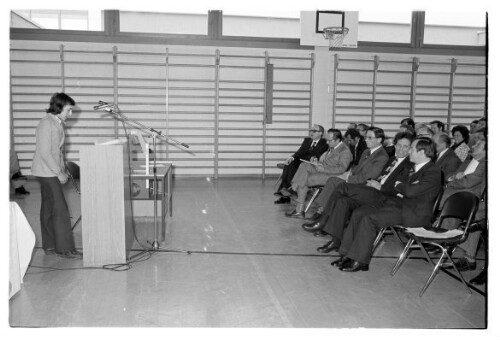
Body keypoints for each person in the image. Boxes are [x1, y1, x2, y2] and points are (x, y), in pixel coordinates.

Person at [332, 137, 441, 272]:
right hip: (396, 203)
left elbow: (411, 191)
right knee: (359, 213)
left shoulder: (433, 171)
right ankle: (346, 254)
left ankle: (360, 260)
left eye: (412, 148)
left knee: (369, 219)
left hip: (411, 211)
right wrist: (402, 186)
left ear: (422, 152)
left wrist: (400, 185)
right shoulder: (413, 167)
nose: (409, 151)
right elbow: (401, 188)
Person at [303, 132, 414, 248]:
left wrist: (380, 187)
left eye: (405, 146)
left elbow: (398, 189)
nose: (401, 149)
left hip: (383, 195)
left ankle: (323, 220)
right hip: (372, 190)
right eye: (398, 145)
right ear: (394, 145)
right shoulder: (391, 159)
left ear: (411, 148)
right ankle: (335, 241)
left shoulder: (409, 165)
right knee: (342, 201)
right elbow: (364, 172)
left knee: (340, 186)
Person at [31, 92, 82, 258]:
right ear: (59, 108)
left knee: (48, 208)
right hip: (47, 172)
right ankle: (64, 248)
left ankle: (50, 245)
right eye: (69, 110)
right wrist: (58, 172)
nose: (71, 113)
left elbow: (58, 151)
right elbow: (45, 153)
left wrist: (63, 168)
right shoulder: (46, 124)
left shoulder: (57, 122)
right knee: (60, 209)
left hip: (48, 170)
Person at [307, 127, 389, 221]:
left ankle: (322, 212)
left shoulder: (382, 156)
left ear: (379, 140)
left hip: (365, 186)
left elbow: (369, 178)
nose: (366, 139)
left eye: (370, 137)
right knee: (334, 179)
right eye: (366, 137)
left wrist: (347, 178)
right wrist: (348, 173)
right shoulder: (366, 151)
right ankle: (323, 212)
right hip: (355, 179)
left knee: (334, 181)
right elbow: (357, 168)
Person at [440, 140, 486, 272]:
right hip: (459, 194)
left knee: (473, 216)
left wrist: (454, 180)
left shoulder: (484, 164)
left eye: (478, 145)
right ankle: (445, 241)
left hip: (472, 198)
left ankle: (467, 256)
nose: (473, 146)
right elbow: (451, 174)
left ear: (485, 151)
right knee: (451, 208)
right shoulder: (468, 160)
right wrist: (453, 178)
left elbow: (468, 182)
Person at [285, 129, 352, 218]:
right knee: (304, 165)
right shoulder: (333, 146)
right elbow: (328, 161)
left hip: (332, 175)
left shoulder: (345, 151)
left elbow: (341, 169)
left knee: (305, 179)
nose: (327, 143)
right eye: (327, 140)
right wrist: (317, 162)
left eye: (329, 140)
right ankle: (295, 186)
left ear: (338, 140)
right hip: (323, 169)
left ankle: (299, 209)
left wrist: (323, 168)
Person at [274, 124, 328, 204]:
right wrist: (291, 158)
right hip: (302, 161)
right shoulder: (307, 140)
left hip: (311, 164)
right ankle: (286, 190)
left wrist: (304, 156)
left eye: (314, 131)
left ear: (321, 133)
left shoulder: (324, 144)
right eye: (311, 130)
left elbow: (316, 155)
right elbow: (299, 152)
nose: (311, 132)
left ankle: (287, 193)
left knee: (297, 167)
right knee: (289, 164)